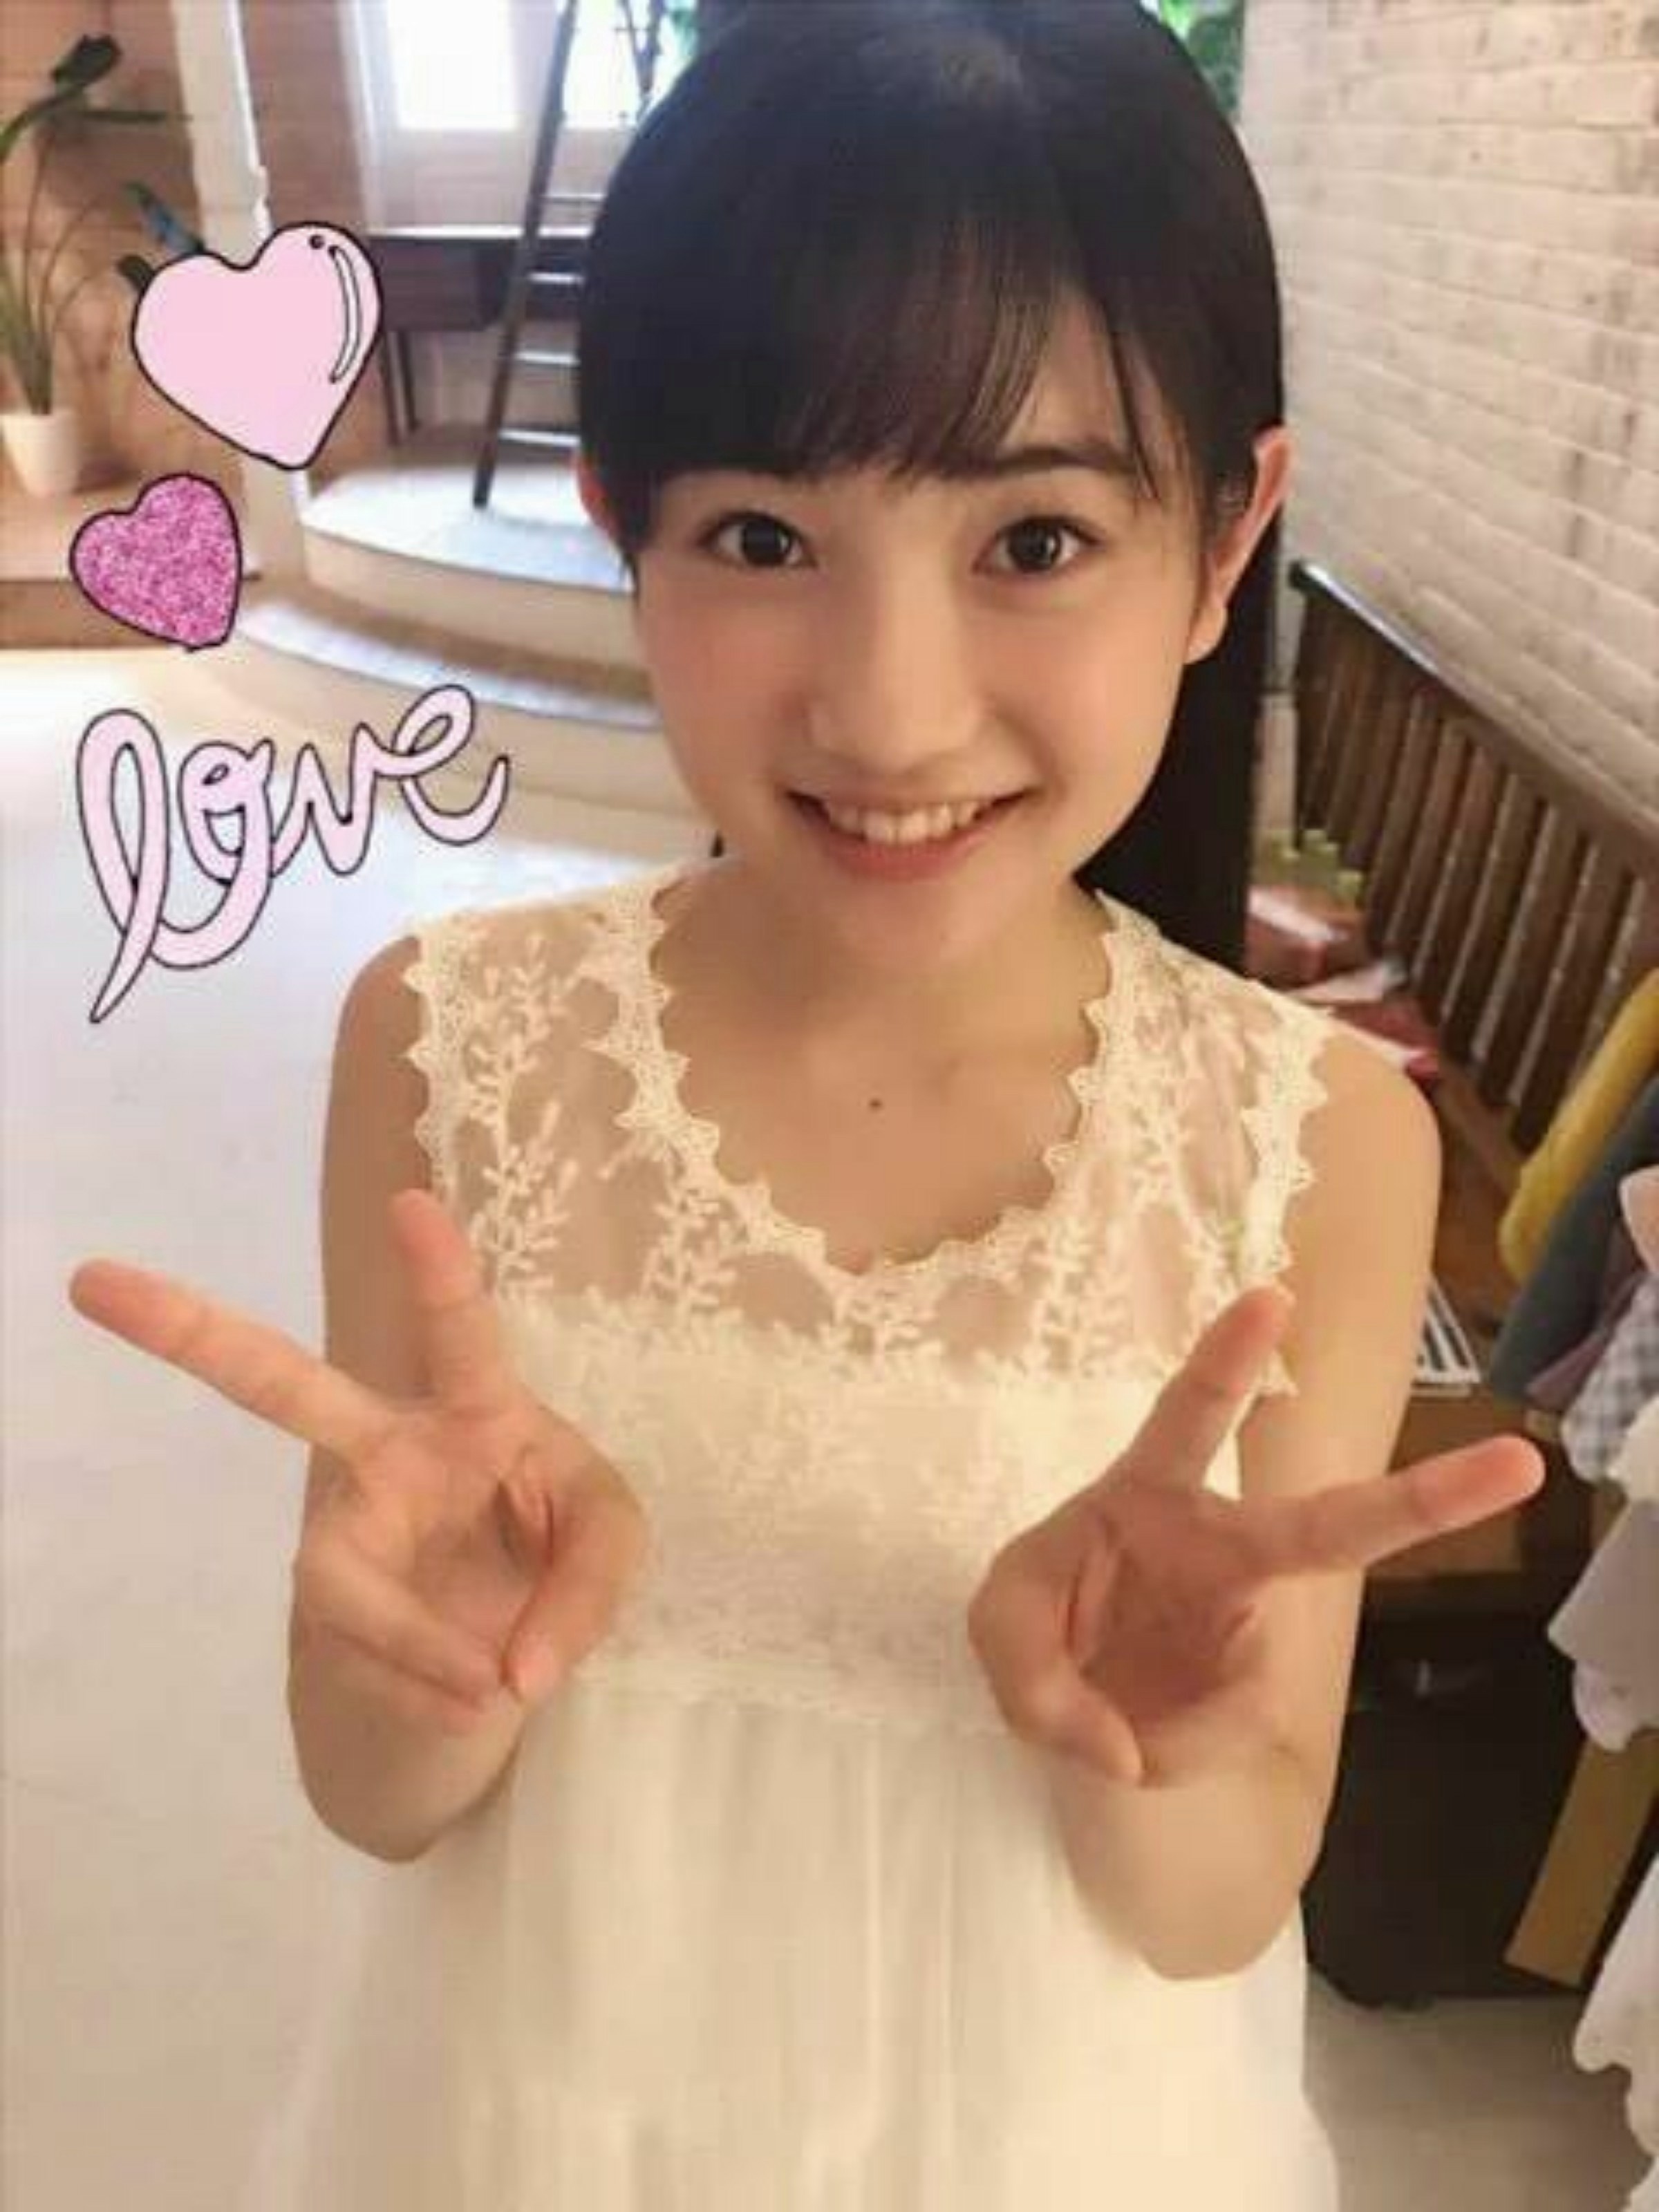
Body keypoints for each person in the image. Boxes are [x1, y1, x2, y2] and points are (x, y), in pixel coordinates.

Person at [67, 5, 1545, 2204]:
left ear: (1227, 535)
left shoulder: (1316, 1153)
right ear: (622, 527)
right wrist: (416, 1678)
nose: (891, 708)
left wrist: (1151, 1748)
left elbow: (1215, 1905)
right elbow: (377, 1795)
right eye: (763, 539)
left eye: (1035, 540)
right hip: (522, 2132)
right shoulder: (446, 1044)